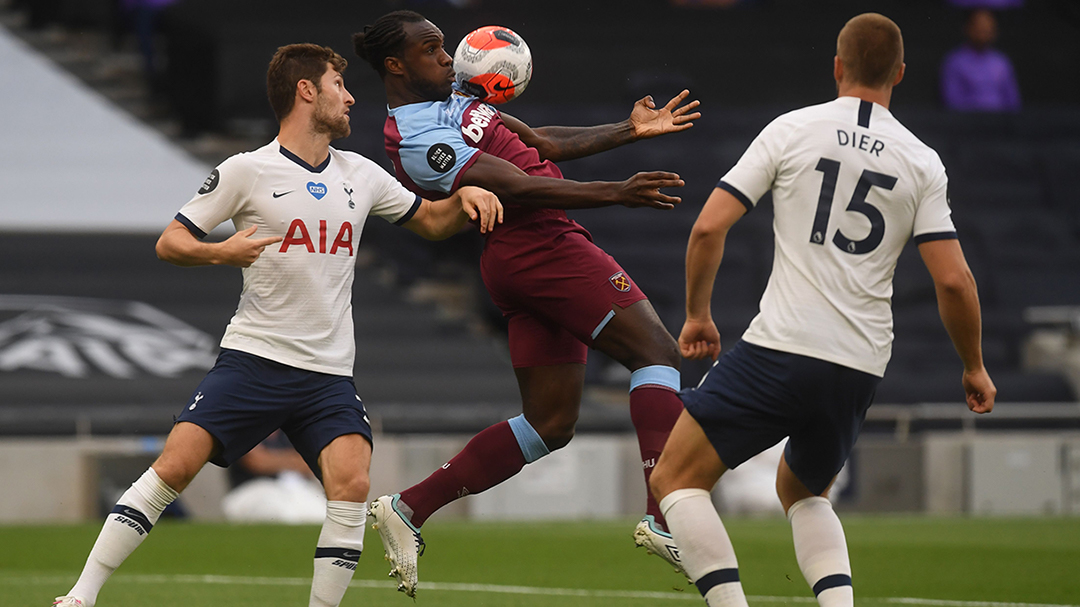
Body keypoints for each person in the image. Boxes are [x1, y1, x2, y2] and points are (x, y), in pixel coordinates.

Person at [52, 43, 502, 607]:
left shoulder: (360, 174)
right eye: (339, 84)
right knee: (174, 466)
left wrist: (464, 197)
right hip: (255, 358)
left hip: (328, 373)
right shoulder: (247, 170)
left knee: (353, 485)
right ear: (306, 91)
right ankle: (81, 595)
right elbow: (172, 240)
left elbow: (430, 221)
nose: (350, 96)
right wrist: (223, 252)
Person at [649, 13, 996, 607]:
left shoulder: (791, 130)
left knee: (675, 479)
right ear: (901, 74)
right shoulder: (921, 160)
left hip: (782, 345)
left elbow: (708, 227)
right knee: (804, 491)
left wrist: (698, 315)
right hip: (858, 363)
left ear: (837, 67)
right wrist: (974, 365)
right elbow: (956, 282)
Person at [352, 10, 700, 597]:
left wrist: (628, 130)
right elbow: (515, 184)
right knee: (658, 354)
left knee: (549, 423)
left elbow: (537, 143)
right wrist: (617, 191)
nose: (447, 58)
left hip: (523, 257)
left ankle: (409, 508)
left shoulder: (457, 104)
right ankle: (662, 515)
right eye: (432, 50)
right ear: (395, 65)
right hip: (540, 246)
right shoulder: (414, 135)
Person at [940, 9, 1021, 112]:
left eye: (987, 29)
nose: (983, 33)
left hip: (1000, 123)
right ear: (968, 28)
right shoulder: (955, 61)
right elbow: (951, 100)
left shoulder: (1002, 62)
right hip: (965, 122)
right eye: (979, 28)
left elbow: (1013, 101)